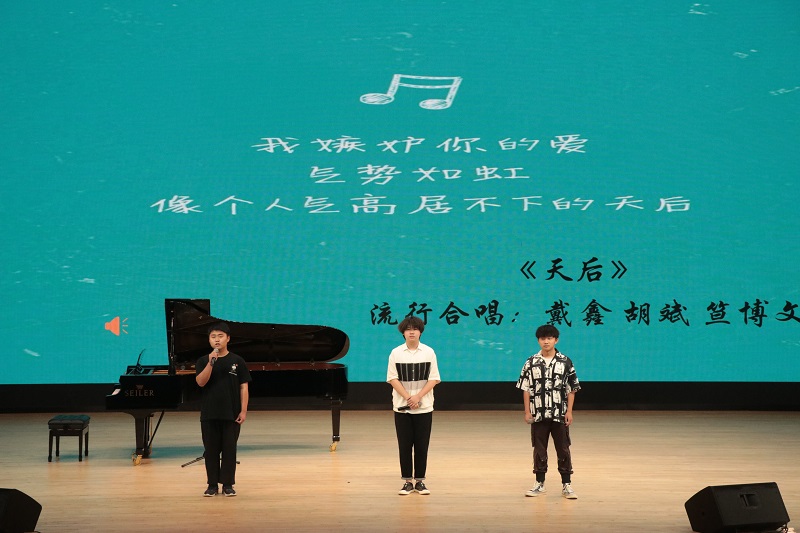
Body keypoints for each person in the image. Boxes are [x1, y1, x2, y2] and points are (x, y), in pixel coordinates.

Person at [516, 324, 581, 499]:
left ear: (556, 340)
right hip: (538, 414)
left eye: (549, 338)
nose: (546, 341)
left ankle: (567, 484)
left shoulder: (565, 361)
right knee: (539, 449)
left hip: (559, 414)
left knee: (563, 448)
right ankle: (539, 483)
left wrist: (569, 412)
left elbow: (572, 389)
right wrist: (527, 412)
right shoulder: (531, 362)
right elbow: (526, 388)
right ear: (538, 340)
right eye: (543, 338)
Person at [386, 315, 441, 496]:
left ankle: (420, 481)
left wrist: (418, 397)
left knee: (422, 446)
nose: (412, 332)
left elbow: (434, 379)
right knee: (404, 446)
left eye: (415, 329)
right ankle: (407, 482)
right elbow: (392, 378)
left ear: (420, 332)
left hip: (424, 407)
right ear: (403, 332)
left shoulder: (429, 352)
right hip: (401, 407)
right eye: (408, 329)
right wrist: (409, 398)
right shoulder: (395, 353)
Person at [195, 322, 251, 497]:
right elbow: (200, 382)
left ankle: (228, 484)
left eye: (220, 336)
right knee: (211, 451)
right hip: (209, 413)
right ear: (209, 340)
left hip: (231, 413)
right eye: (213, 337)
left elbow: (244, 387)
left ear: (228, 338)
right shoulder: (203, 360)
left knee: (229, 451)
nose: (217, 340)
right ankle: (212, 485)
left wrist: (243, 410)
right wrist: (211, 363)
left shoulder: (237, 361)